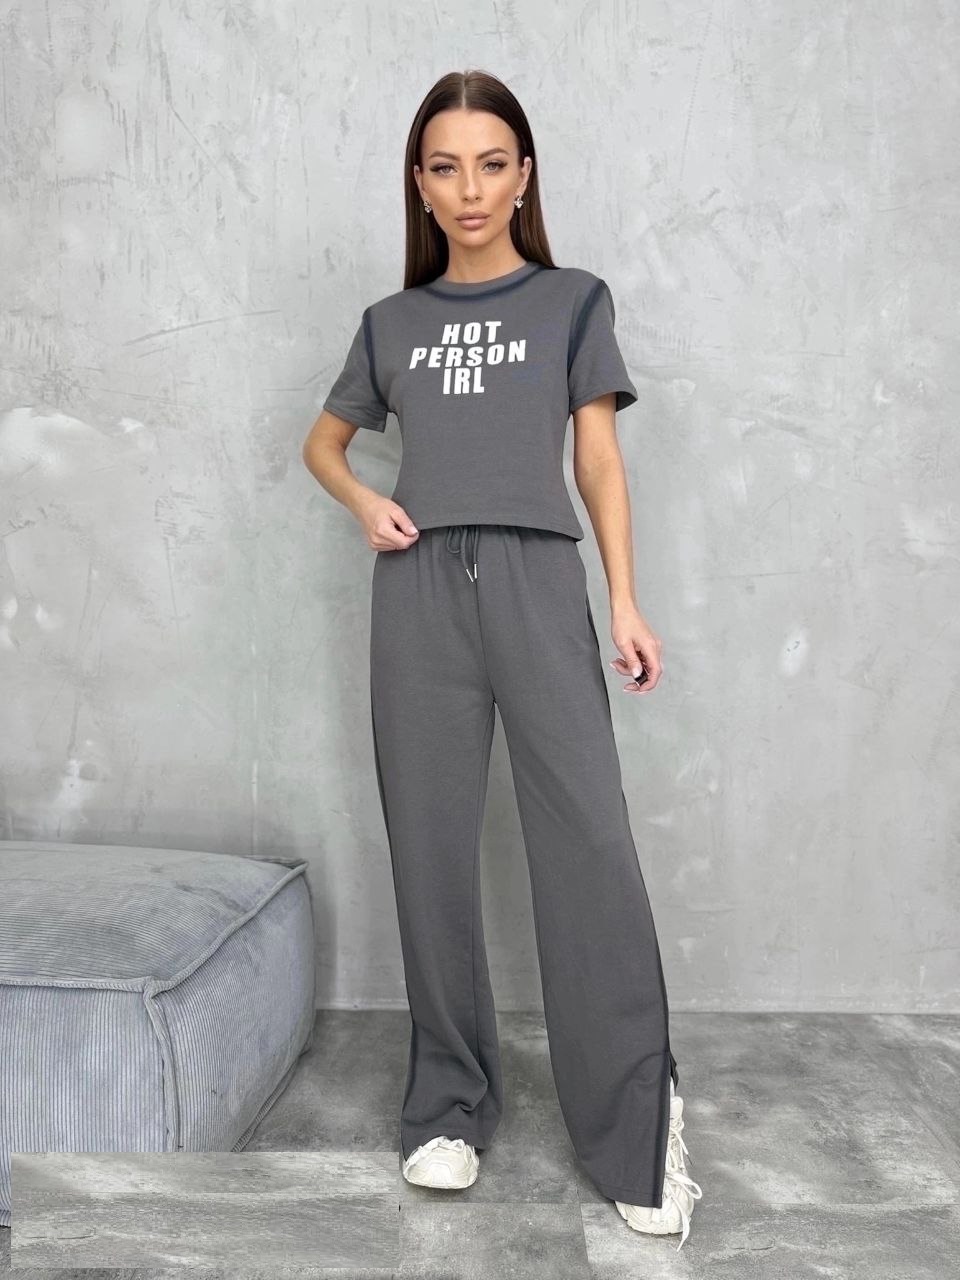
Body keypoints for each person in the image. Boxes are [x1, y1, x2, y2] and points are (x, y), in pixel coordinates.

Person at [301, 68, 703, 1251]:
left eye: (490, 163)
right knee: (429, 845)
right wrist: (364, 503)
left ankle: (638, 1129)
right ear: (420, 186)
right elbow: (323, 444)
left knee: (589, 846)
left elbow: (598, 461)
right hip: (418, 588)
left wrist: (623, 599)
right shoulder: (391, 323)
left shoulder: (573, 302)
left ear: (523, 175)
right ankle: (447, 1103)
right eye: (445, 167)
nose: (469, 188)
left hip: (536, 579)